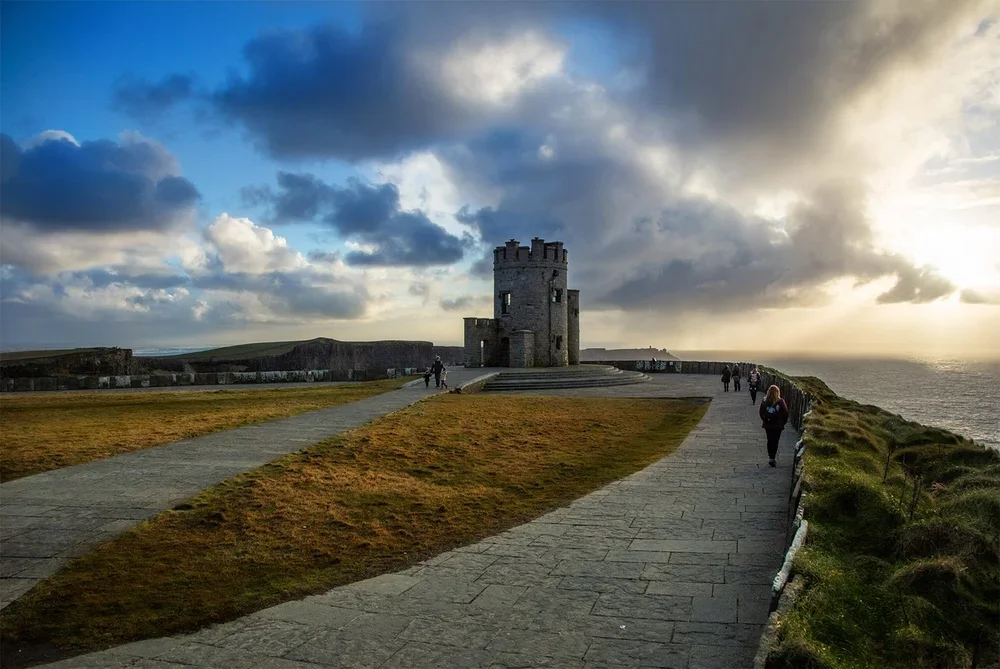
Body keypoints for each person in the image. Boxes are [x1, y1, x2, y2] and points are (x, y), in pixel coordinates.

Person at [759, 385, 789, 467]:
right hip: (777, 426)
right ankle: (773, 457)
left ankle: (770, 457)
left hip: (768, 425)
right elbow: (785, 413)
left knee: (770, 440)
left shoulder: (764, 401)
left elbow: (761, 412)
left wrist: (765, 420)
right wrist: (783, 422)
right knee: (775, 441)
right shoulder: (781, 401)